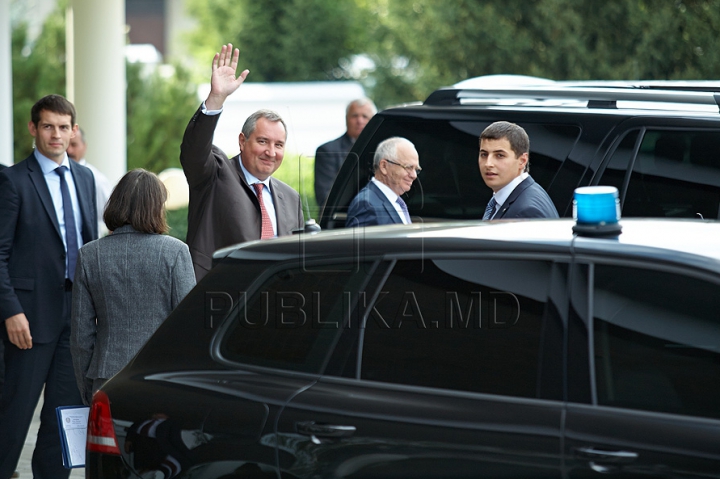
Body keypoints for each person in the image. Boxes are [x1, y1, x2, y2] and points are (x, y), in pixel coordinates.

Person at [0, 94, 98, 479]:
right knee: (14, 413)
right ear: (33, 129)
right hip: (27, 316)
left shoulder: (85, 178)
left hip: (76, 316)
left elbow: (90, 247)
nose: (56, 135)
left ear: (73, 131)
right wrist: (10, 310)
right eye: (47, 126)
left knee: (64, 415)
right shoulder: (11, 180)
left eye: (63, 127)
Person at [71, 169, 195, 406]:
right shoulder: (176, 252)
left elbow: (80, 338)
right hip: (161, 380)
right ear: (156, 207)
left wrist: (88, 391)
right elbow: (188, 330)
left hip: (105, 379)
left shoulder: (89, 255)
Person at [180, 43, 303, 281]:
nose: (271, 152)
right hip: (219, 300)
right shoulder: (214, 174)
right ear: (242, 141)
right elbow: (194, 149)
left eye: (278, 145)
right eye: (263, 142)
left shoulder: (291, 198)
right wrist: (216, 98)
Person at [479, 121, 559, 219]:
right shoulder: (517, 196)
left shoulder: (526, 212)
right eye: (484, 154)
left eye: (499, 155)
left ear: (522, 160)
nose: (488, 163)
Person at [314, 98, 377, 207]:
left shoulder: (382, 151)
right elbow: (324, 197)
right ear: (346, 119)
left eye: (365, 116)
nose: (360, 121)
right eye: (355, 116)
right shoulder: (327, 151)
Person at [346, 137, 420, 227]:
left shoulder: (395, 202)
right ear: (384, 166)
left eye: (416, 169)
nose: (414, 175)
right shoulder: (366, 204)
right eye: (408, 167)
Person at [67, 127, 114, 237]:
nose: (69, 150)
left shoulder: (96, 179)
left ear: (84, 146)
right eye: (66, 145)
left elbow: (113, 218)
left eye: (74, 145)